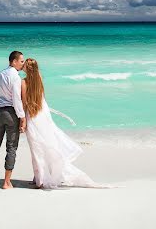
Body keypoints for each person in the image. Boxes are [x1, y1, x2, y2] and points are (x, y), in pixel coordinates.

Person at [21, 57, 114, 189]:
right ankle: (41, 176)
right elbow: (43, 98)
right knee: (48, 144)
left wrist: (22, 121)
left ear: (26, 68)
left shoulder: (23, 83)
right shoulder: (39, 78)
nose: (22, 65)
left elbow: (24, 103)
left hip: (33, 116)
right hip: (43, 114)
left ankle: (40, 179)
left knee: (37, 148)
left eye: (24, 64)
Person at [0, 50, 26, 189]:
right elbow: (16, 99)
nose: (23, 63)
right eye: (21, 61)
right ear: (13, 61)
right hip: (11, 112)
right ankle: (6, 182)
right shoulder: (16, 77)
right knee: (11, 147)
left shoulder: (0, 74)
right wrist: (22, 117)